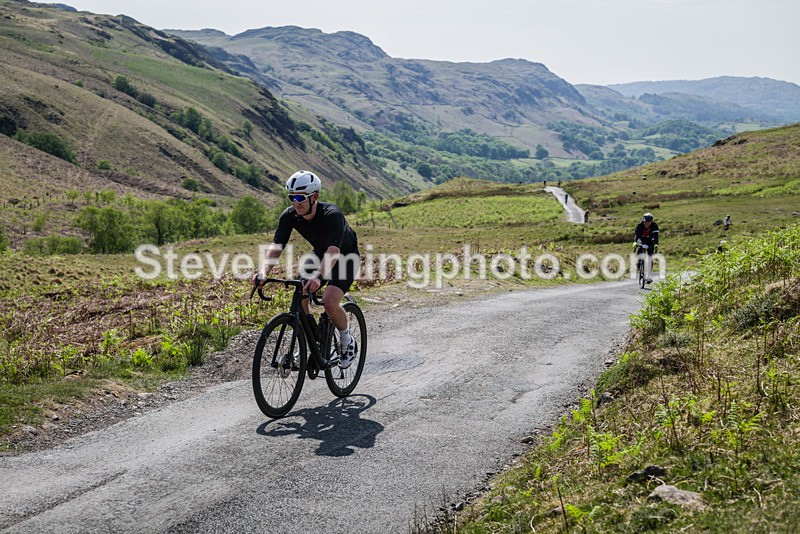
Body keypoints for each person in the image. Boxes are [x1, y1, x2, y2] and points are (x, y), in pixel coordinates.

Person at [252, 170, 360, 368]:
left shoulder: (332, 215)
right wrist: (264, 272)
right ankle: (311, 339)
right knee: (300, 293)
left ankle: (347, 341)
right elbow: (276, 246)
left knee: (329, 301)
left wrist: (318, 276)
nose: (296, 203)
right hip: (319, 254)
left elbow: (333, 251)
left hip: (345, 257)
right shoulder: (290, 215)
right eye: (292, 197)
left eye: (300, 197)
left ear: (314, 197)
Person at [633, 212, 659, 284]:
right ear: (643, 221)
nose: (646, 223)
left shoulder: (654, 226)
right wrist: (635, 242)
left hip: (650, 241)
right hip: (641, 240)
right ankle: (638, 265)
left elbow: (656, 237)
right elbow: (636, 235)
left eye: (648, 222)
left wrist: (656, 244)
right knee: (639, 251)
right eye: (645, 222)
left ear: (651, 222)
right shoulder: (639, 225)